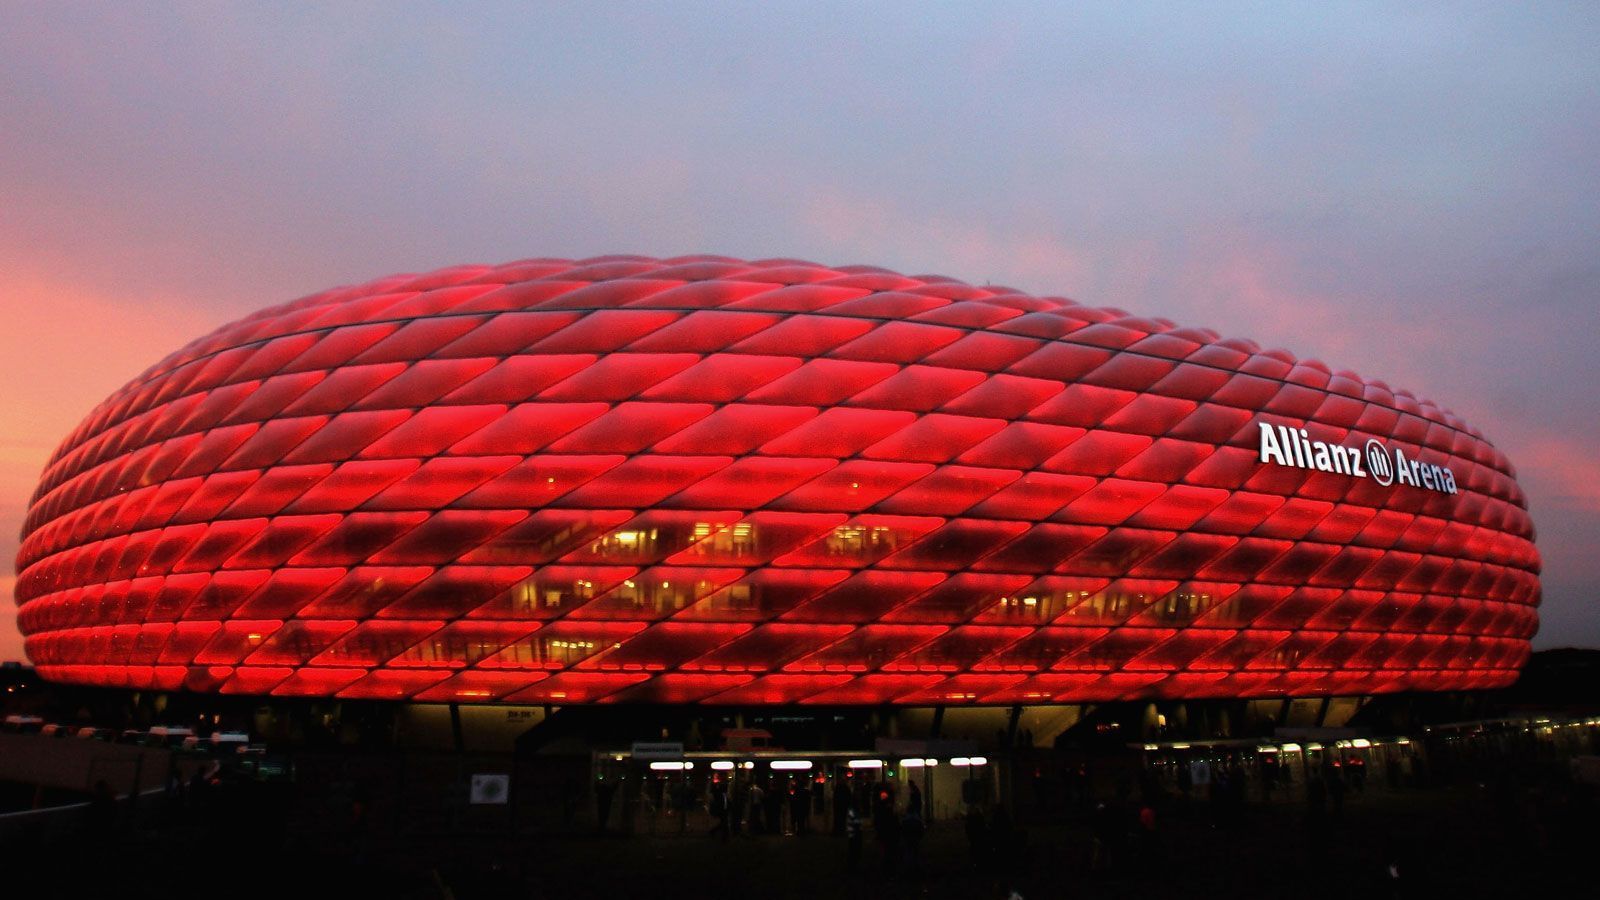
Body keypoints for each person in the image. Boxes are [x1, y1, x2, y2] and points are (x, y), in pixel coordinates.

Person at [845, 803, 864, 871]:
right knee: (853, 849)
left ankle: (853, 865)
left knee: (856, 849)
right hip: (853, 832)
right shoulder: (851, 809)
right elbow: (853, 820)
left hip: (856, 832)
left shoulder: (854, 809)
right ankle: (851, 866)